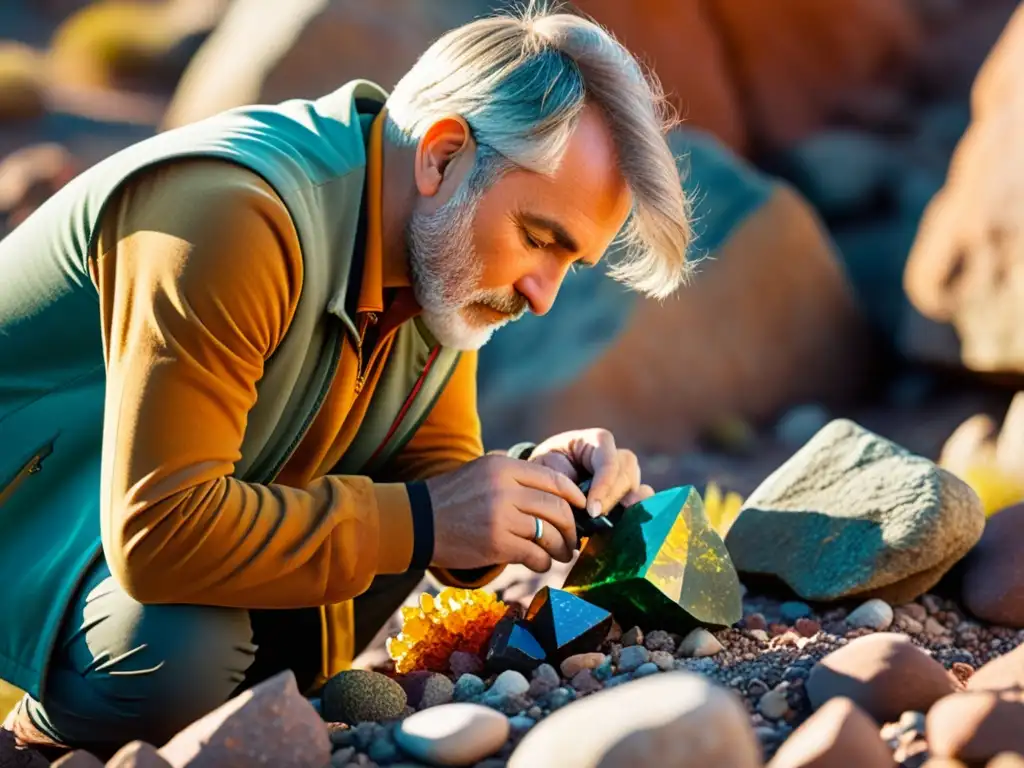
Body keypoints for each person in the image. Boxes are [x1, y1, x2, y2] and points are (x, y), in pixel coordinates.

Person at [0, 3, 691, 755]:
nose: (542, 294)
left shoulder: (437, 249)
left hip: (131, 522)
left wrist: (532, 487)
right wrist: (427, 516)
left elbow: (434, 476)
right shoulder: (234, 216)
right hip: (32, 521)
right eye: (538, 239)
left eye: (571, 262)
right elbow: (158, 533)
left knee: (367, 552)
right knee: (175, 652)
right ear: (442, 155)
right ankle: (39, 740)